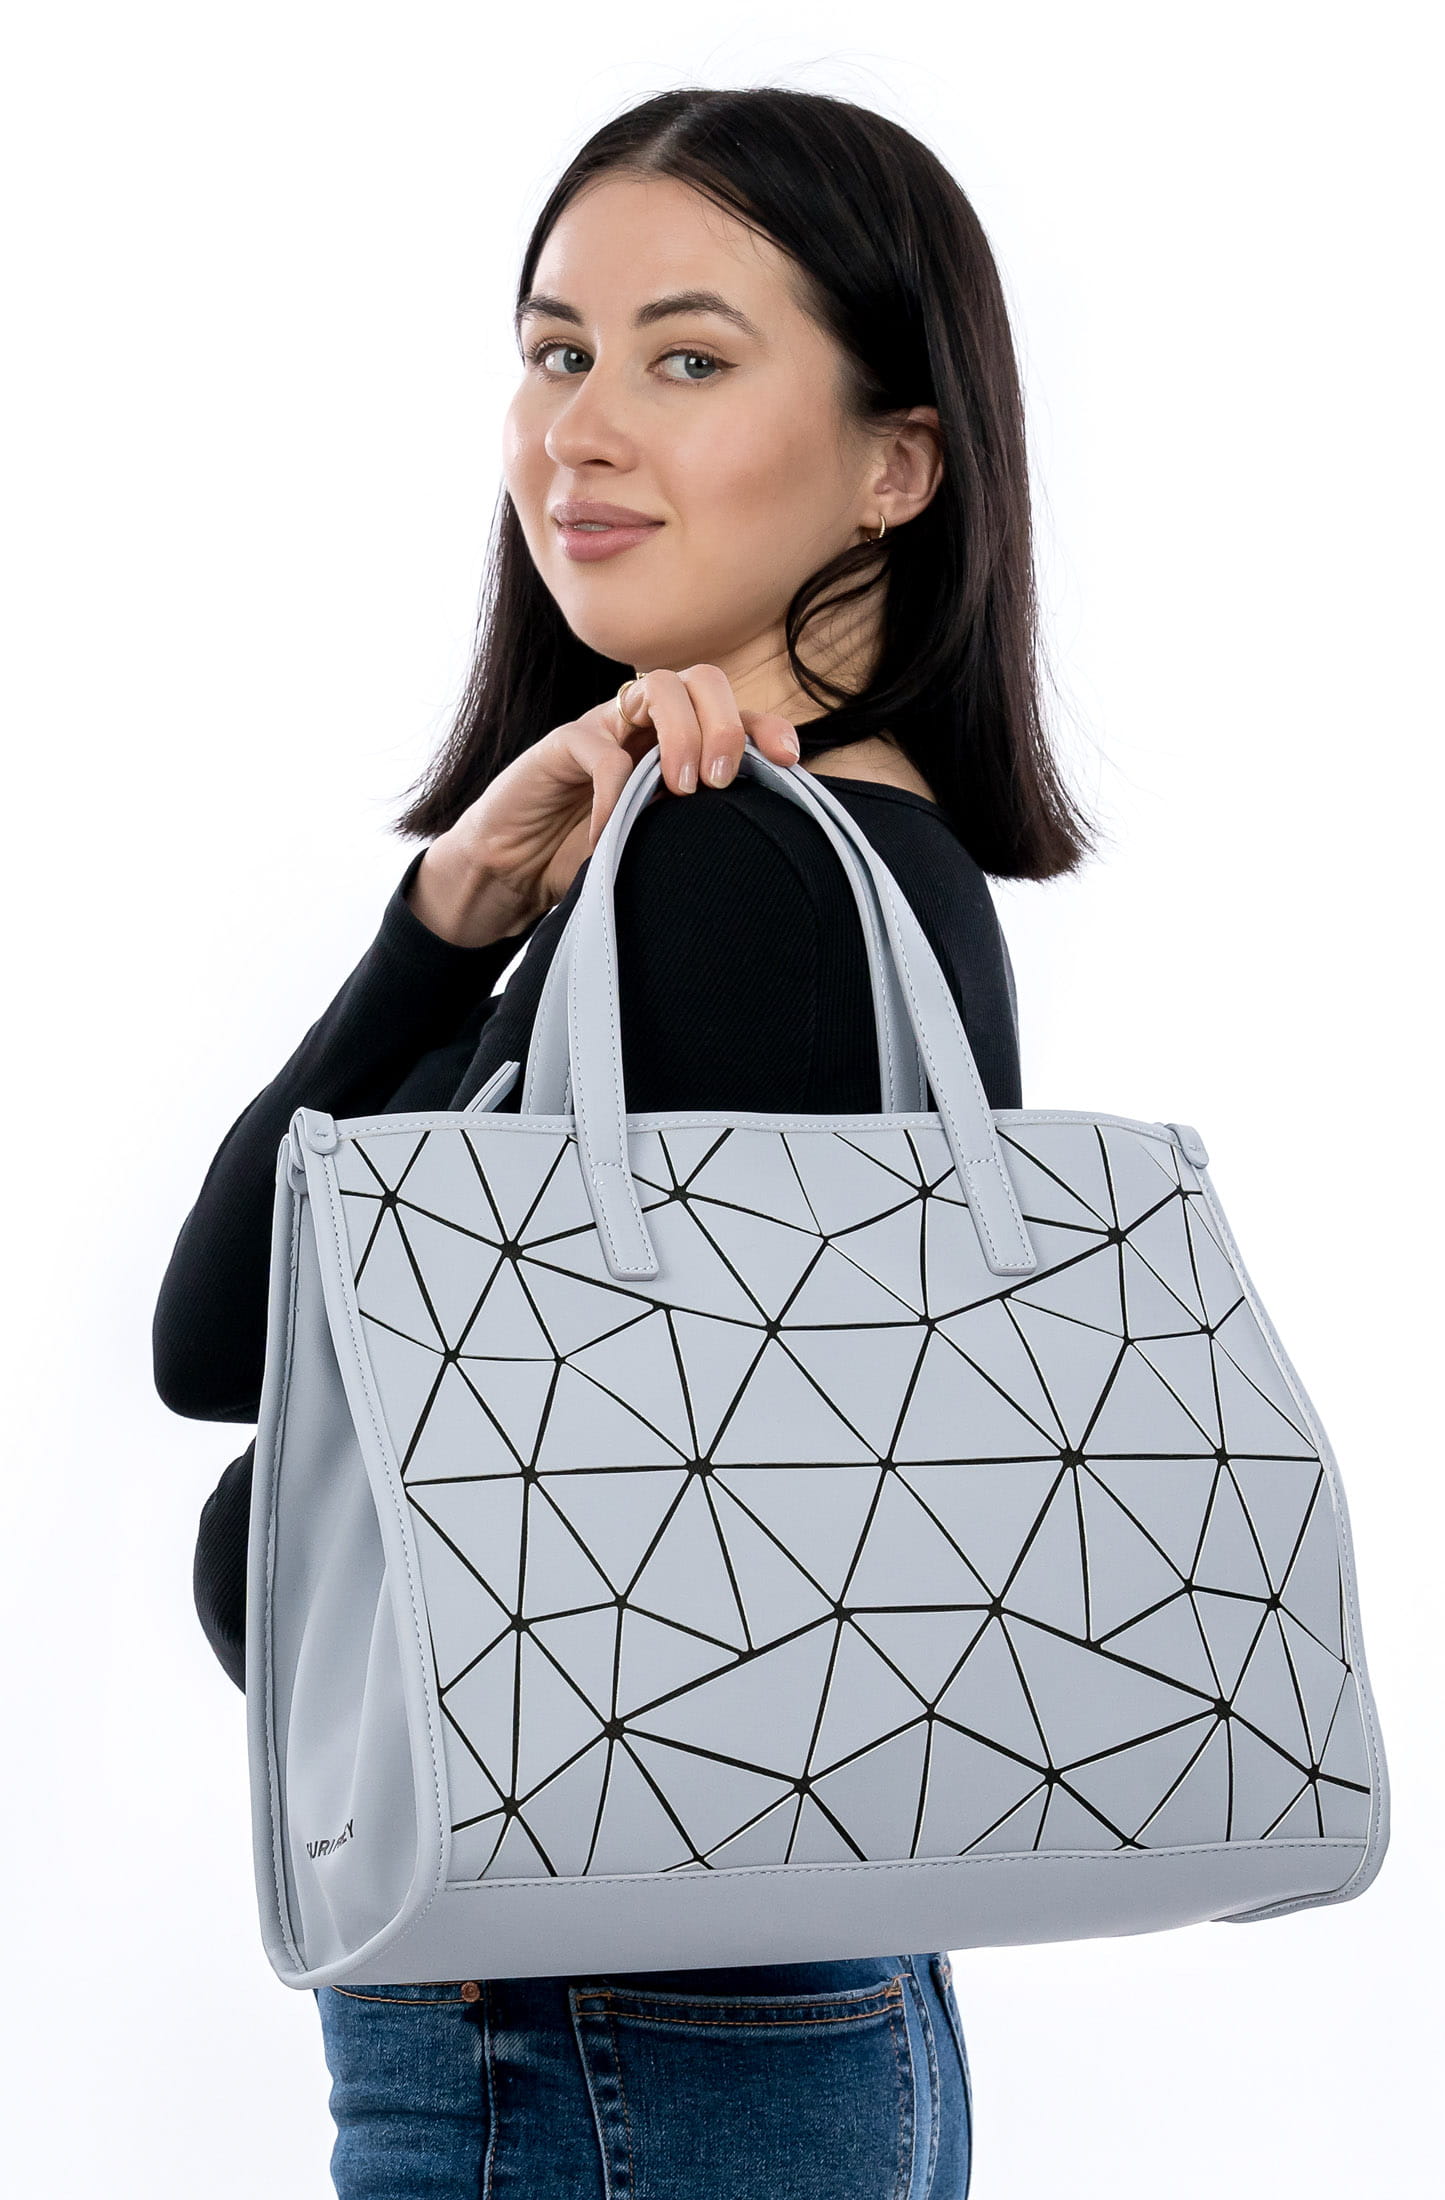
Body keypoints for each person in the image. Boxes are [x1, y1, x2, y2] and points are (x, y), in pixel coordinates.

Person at [154, 83, 1095, 2200]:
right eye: (556, 351)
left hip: (596, 2036)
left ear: (897, 464)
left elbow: (244, 1375)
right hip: (752, 2010)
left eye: (686, 360)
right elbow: (221, 1347)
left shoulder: (735, 872)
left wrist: (440, 963)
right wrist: (454, 914)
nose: (577, 430)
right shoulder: (853, 856)